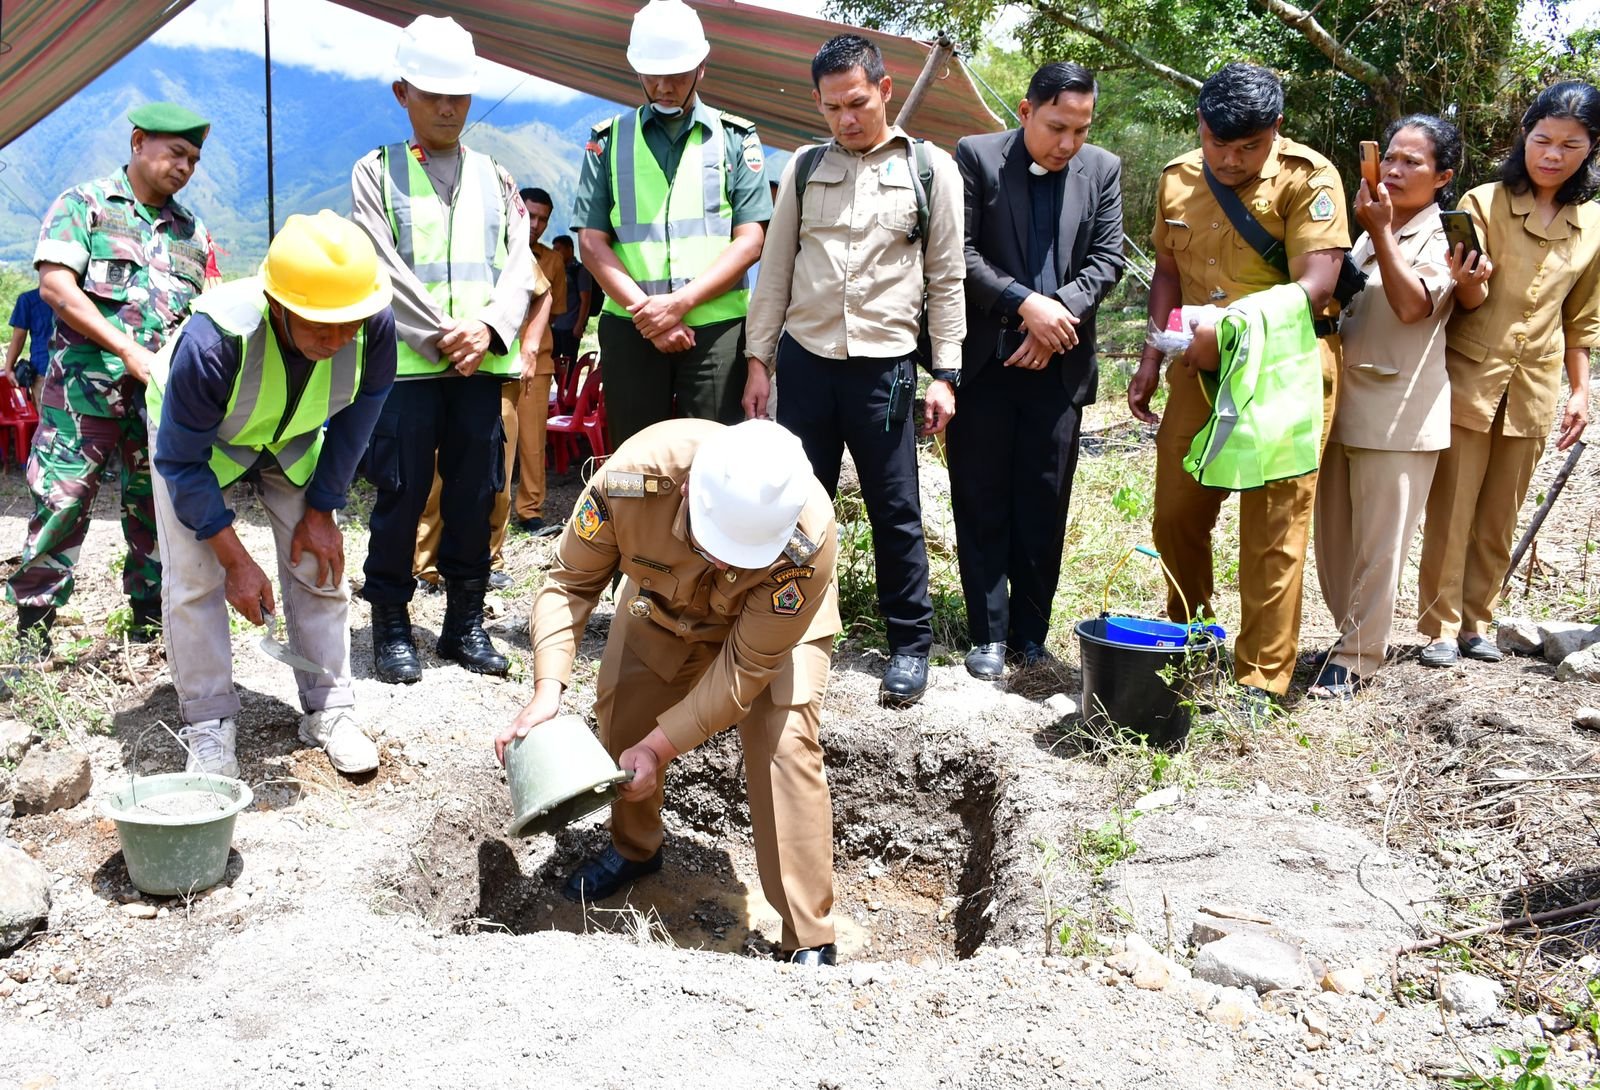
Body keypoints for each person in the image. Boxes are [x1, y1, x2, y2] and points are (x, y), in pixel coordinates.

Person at [496, 418, 842, 967]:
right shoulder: (632, 480)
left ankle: (809, 934)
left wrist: (663, 748)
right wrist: (547, 688)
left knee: (785, 746)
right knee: (624, 721)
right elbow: (569, 584)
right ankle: (635, 848)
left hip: (774, 633)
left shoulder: (806, 539)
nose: (724, 564)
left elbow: (745, 668)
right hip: (663, 610)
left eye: (742, 554)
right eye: (715, 542)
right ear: (687, 492)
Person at [744, 34, 964, 707]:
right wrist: (760, 362)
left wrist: (945, 372)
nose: (846, 118)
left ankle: (909, 645)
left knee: (894, 508)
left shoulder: (931, 169)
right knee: (795, 509)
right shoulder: (805, 168)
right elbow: (775, 269)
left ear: (885, 89)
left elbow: (947, 277)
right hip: (807, 365)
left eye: (858, 103)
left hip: (886, 369)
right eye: (832, 106)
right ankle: (793, 632)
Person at [1126, 63, 1350, 711]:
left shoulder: (1310, 179)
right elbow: (1167, 272)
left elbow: (1317, 285)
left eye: (1248, 146)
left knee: (1274, 527)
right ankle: (1192, 635)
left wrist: (1231, 327)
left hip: (1285, 365)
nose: (1229, 159)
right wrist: (1150, 355)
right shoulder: (1177, 179)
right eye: (1216, 142)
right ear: (1199, 126)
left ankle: (1260, 676)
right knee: (1175, 513)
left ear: (1275, 131)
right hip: (1196, 365)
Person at [148, 211, 396, 777]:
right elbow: (182, 463)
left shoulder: (375, 326)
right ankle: (208, 721)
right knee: (195, 575)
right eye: (319, 326)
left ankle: (329, 707)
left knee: (320, 560)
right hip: (202, 445)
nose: (337, 341)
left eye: (349, 325)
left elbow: (359, 420)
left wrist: (323, 510)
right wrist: (235, 560)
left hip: (291, 437)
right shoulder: (214, 343)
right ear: (279, 304)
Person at [349, 14, 536, 685]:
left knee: (475, 492)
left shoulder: (497, 176)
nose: (449, 107)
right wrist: (442, 334)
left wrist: (486, 330)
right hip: (406, 367)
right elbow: (380, 265)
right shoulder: (375, 172)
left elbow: (520, 263)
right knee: (399, 493)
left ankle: (463, 625)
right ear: (403, 93)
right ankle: (392, 625)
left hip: (480, 366)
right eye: (434, 95)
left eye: (459, 94)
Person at [8, 103, 215, 667]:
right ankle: (33, 633)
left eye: (194, 159)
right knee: (62, 503)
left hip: (158, 404)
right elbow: (56, 289)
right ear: (138, 141)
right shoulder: (85, 207)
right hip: (82, 398)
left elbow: (209, 317)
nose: (185, 167)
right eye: (176, 152)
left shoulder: (194, 233)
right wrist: (126, 348)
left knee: (156, 511)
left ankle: (150, 628)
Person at [950, 61, 1125, 680]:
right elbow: (959, 252)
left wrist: (1058, 320)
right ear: (1024, 112)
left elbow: (1109, 259)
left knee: (1044, 502)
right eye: (1056, 127)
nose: (1068, 144)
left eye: (1080, 130)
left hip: (1059, 366)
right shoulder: (975, 156)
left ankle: (1030, 635)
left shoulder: (1100, 169)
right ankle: (988, 634)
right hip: (987, 364)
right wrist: (1025, 305)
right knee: (981, 495)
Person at [1416, 81, 1600, 667]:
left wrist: (1580, 390)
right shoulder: (1481, 202)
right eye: (1542, 139)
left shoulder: (1594, 225)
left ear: (1591, 149)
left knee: (1500, 513)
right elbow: (1464, 298)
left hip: (1537, 387)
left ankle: (1478, 622)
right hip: (1470, 375)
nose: (1552, 155)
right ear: (1524, 135)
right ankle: (1441, 627)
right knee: (1452, 506)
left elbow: (1582, 318)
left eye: (1570, 145)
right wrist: (1470, 280)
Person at [1309, 115, 1463, 698]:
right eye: (1389, 158)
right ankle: (1349, 635)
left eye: (1412, 163)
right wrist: (1370, 231)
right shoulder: (1373, 230)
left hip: (1398, 415)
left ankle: (1359, 655)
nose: (1394, 171)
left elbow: (1410, 306)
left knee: (1380, 546)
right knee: (1337, 544)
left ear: (1443, 176)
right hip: (1343, 405)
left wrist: (1380, 232)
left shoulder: (1445, 239)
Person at [573, 0, 771, 447]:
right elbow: (591, 241)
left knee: (717, 456)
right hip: (631, 324)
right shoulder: (607, 141)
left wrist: (677, 305)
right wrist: (650, 315)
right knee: (637, 459)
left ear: (702, 66)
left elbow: (751, 239)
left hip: (716, 327)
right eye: (651, 75)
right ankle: (639, 523)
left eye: (677, 74)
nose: (663, 86)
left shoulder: (736, 138)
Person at [412, 190, 555, 591]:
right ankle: (425, 564)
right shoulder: (428, 242)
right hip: (439, 373)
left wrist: (529, 346)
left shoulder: (507, 248)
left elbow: (543, 295)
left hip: (495, 378)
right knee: (435, 475)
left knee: (495, 475)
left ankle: (489, 558)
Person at [549, 233, 592, 362]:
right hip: (555, 326)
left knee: (569, 363)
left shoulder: (580, 271)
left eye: (558, 249)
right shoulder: (558, 270)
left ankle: (568, 383)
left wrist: (579, 325)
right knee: (553, 362)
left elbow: (586, 300)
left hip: (570, 327)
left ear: (569, 249)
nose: (555, 253)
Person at [6, 287, 53, 402]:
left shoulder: (29, 299)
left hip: (44, 371)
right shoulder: (79, 295)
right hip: (77, 369)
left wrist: (9, 368)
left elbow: (18, 339)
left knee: (47, 417)